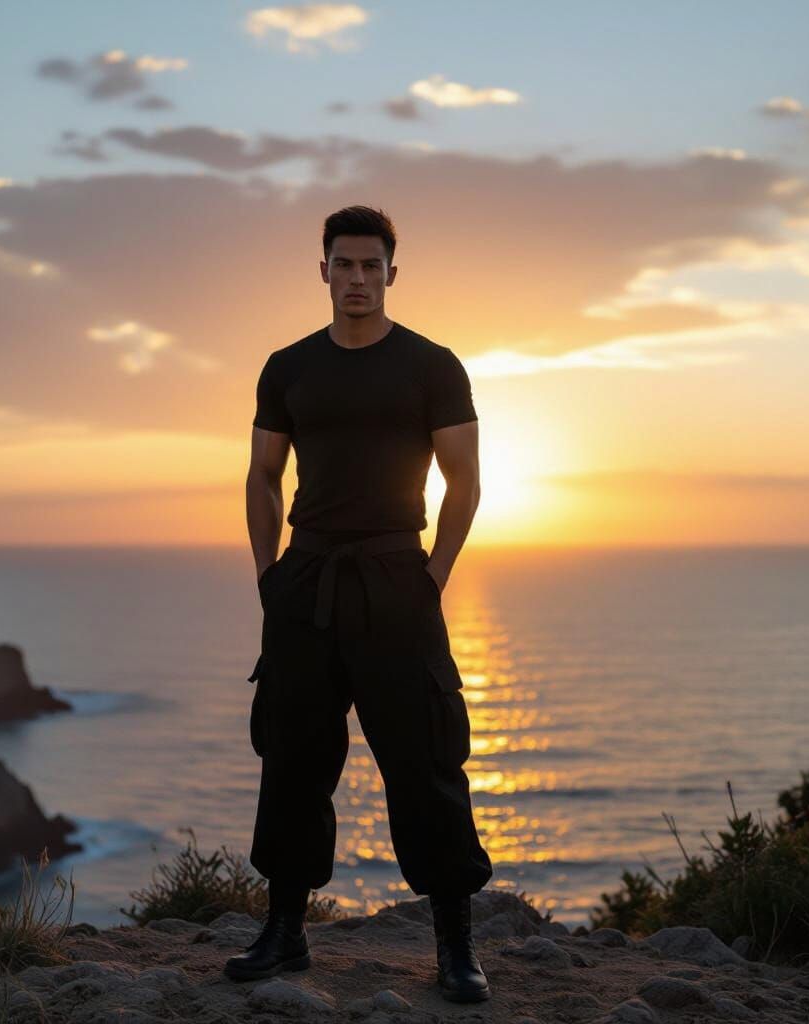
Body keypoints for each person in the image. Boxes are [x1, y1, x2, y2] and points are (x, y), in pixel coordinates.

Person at [224, 205, 493, 1002]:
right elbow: (262, 475)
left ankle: (455, 945)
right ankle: (285, 931)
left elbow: (466, 480)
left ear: (391, 274)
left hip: (395, 580)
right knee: (292, 757)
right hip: (306, 581)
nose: (357, 279)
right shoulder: (288, 367)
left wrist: (432, 577)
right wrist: (268, 576)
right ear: (324, 271)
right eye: (343, 264)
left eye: (371, 266)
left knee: (426, 760)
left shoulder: (432, 366)